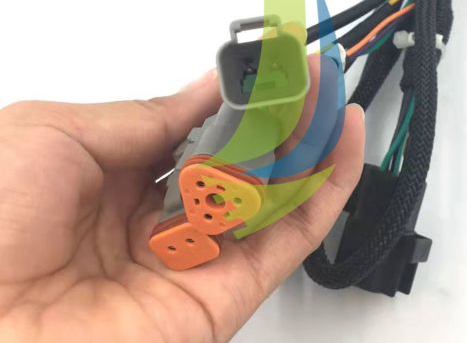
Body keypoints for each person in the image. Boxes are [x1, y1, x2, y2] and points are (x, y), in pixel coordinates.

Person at [0, 65, 365, 342]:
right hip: (209, 171)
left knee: (201, 183)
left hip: (209, 171)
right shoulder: (230, 131)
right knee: (200, 184)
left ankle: (198, 201)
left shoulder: (231, 135)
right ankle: (196, 203)